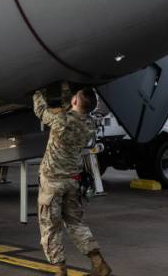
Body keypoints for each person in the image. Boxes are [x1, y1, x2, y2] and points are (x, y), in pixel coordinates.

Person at [33, 84, 112, 276]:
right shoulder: (90, 125)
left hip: (52, 182)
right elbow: (70, 110)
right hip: (72, 181)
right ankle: (98, 263)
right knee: (76, 223)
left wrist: (37, 92)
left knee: (50, 228)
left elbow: (41, 111)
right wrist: (69, 92)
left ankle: (59, 270)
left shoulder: (62, 120)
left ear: (75, 101)